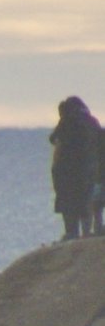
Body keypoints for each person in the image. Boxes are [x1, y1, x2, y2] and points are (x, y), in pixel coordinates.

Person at [50, 97, 101, 241]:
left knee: (69, 204)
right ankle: (87, 231)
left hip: (69, 171)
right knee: (85, 202)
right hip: (86, 169)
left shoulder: (68, 122)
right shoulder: (91, 122)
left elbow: (53, 139)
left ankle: (73, 233)